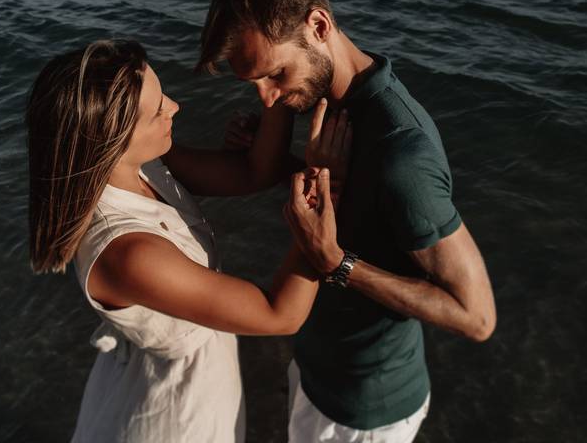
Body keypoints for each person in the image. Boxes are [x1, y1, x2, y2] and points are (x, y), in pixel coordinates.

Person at [197, 0, 497, 443]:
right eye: (254, 83)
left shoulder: (401, 154)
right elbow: (358, 203)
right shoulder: (325, 97)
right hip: (318, 372)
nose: (268, 99)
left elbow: (477, 316)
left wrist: (337, 262)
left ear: (318, 26)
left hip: (365, 411)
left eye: (274, 75)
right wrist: (294, 167)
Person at [25, 39, 349, 443]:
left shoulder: (143, 167)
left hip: (168, 366)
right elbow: (279, 314)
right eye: (157, 109)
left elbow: (252, 172)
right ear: (112, 141)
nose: (174, 107)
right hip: (178, 411)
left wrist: (277, 82)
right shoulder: (129, 253)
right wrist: (321, 192)